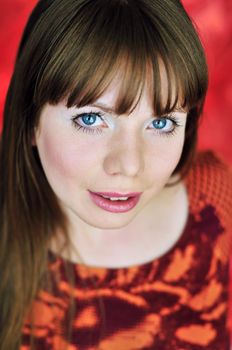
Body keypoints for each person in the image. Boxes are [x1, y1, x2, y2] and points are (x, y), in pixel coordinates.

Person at [0, 0, 232, 349]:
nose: (129, 165)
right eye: (91, 119)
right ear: (32, 122)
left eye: (161, 122)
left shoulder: (218, 203)